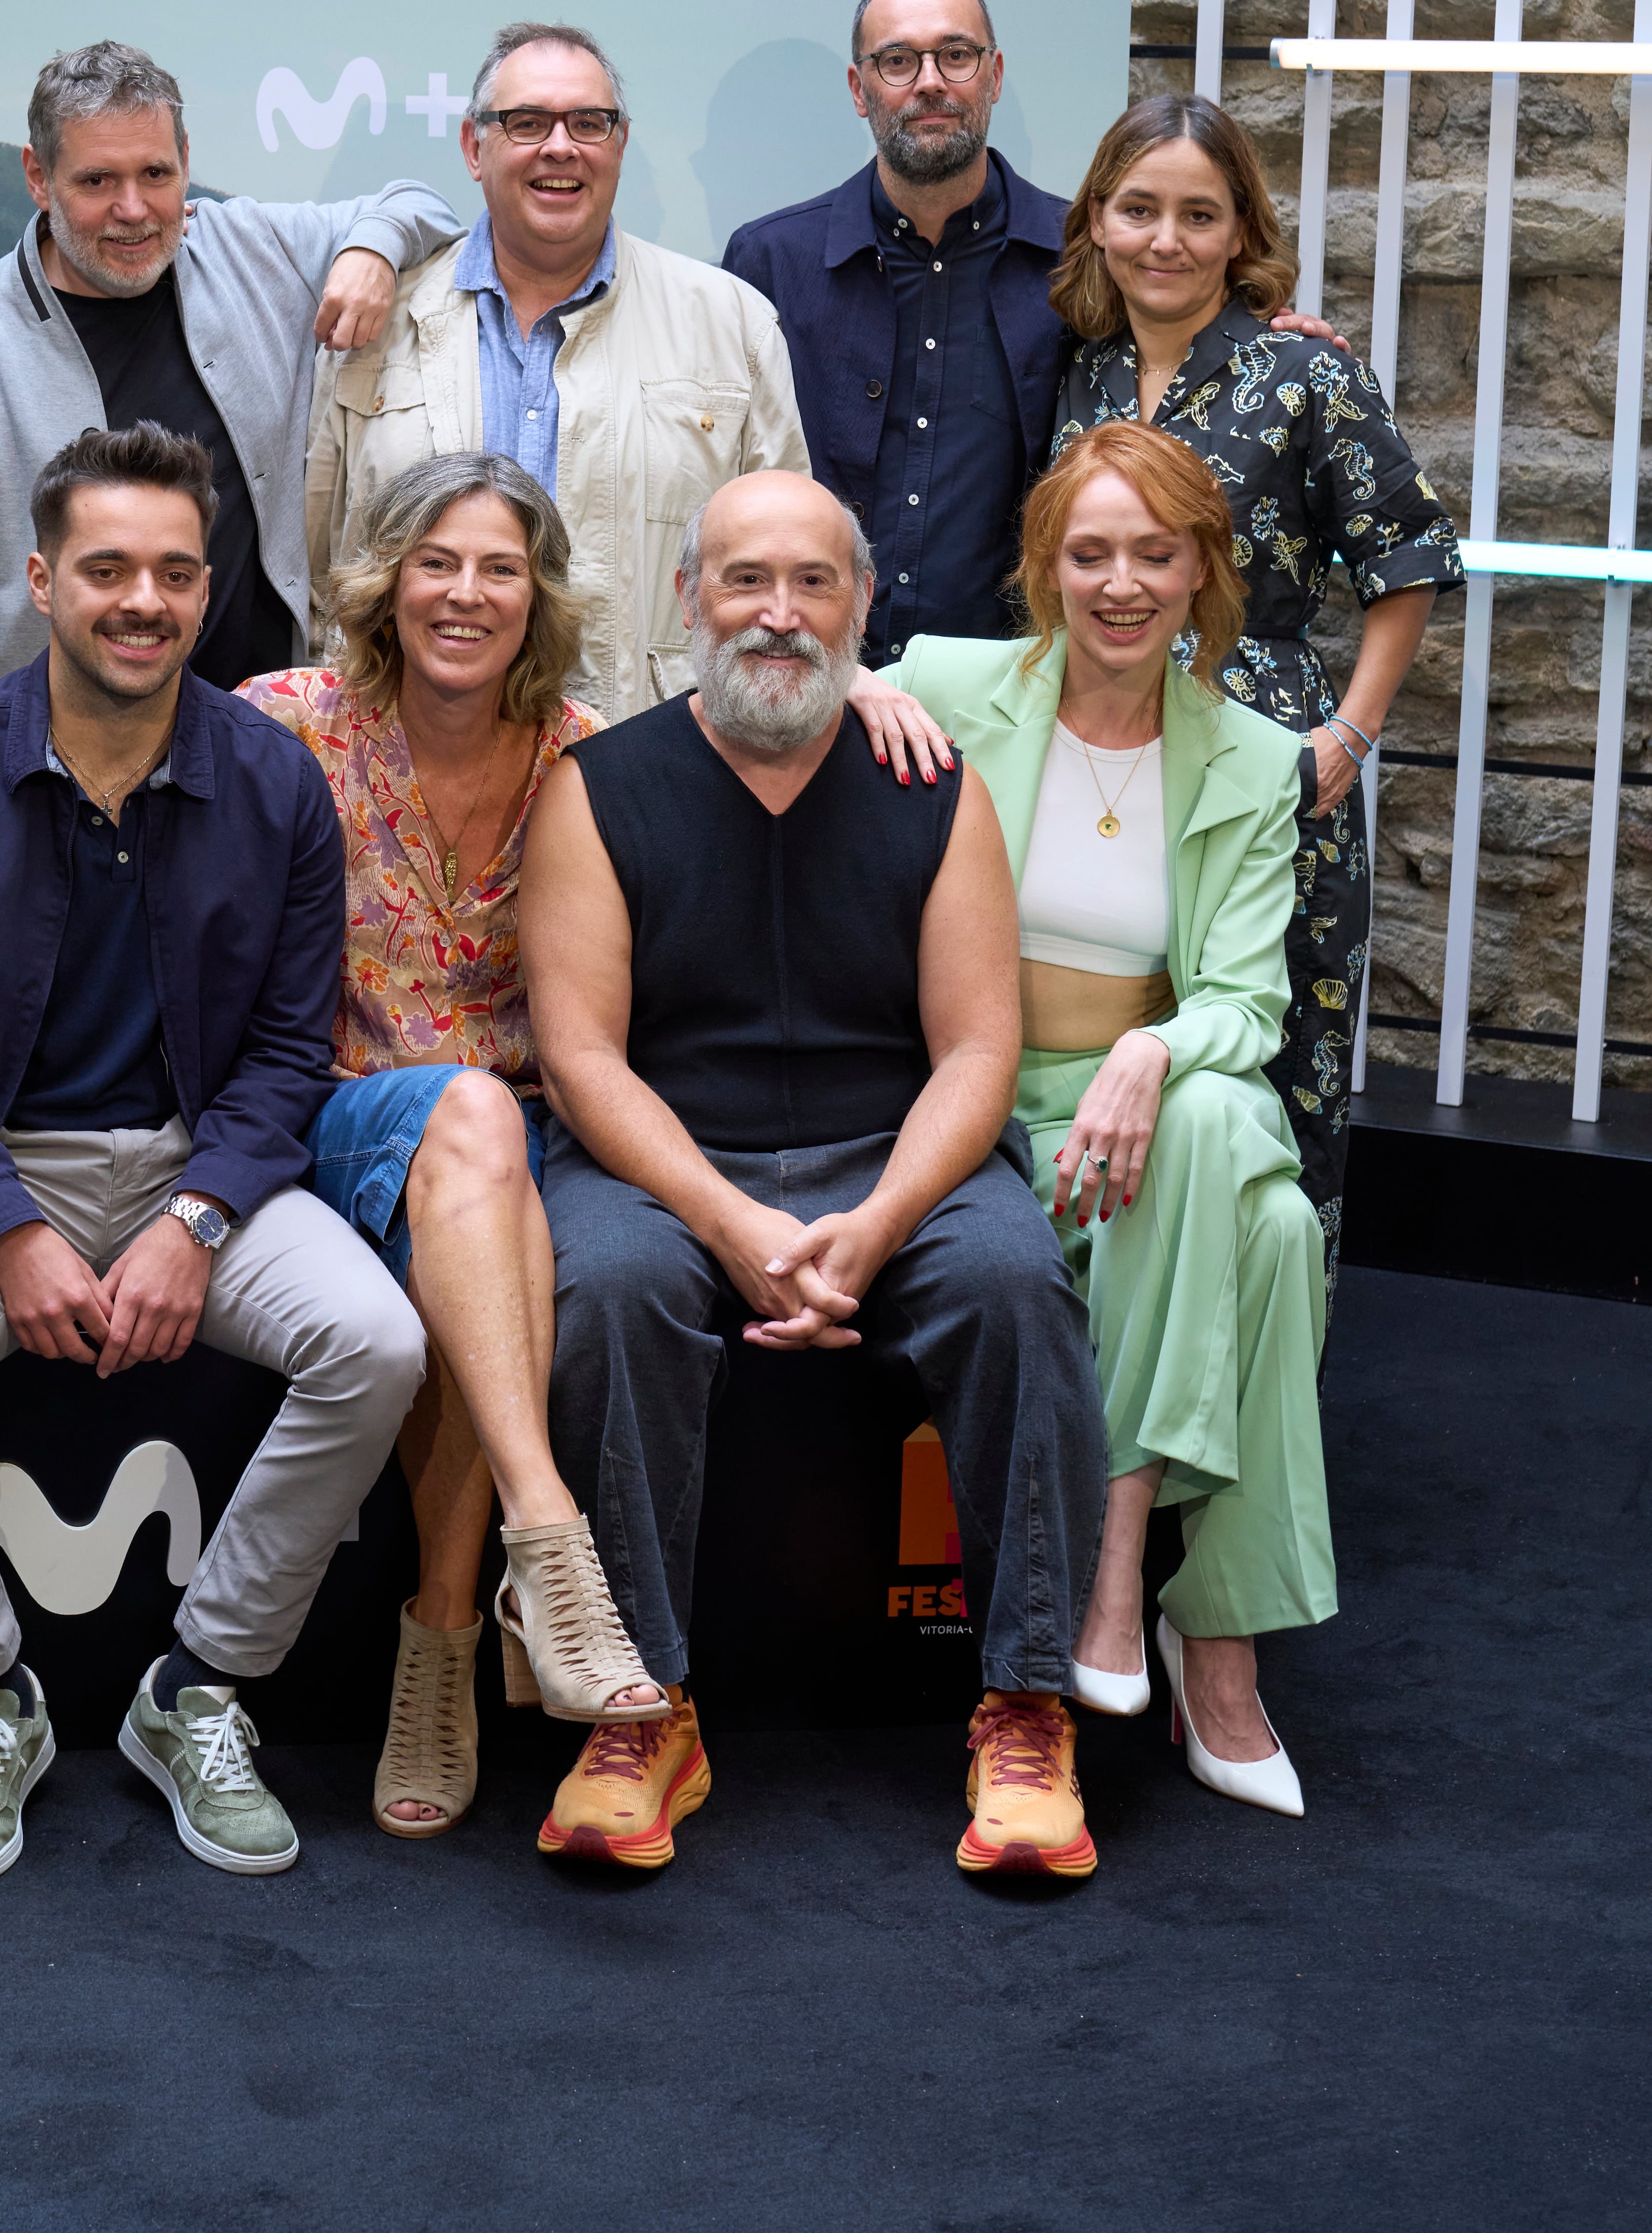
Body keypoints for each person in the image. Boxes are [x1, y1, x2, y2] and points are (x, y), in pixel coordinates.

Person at [0, 423, 424, 1891]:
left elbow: (292, 1050)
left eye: (172, 571)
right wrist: (11, 1225)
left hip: (197, 1166)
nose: (140, 599)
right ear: (41, 580)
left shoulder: (275, 783)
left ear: (211, 589)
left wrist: (200, 1215)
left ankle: (202, 1682)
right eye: (106, 569)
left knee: (379, 1343)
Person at [517, 469, 1111, 1881]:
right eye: (744, 580)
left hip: (895, 1153)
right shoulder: (597, 791)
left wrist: (880, 1220)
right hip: (671, 1155)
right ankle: (641, 1703)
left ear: (862, 603)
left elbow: (978, 1049)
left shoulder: (932, 784)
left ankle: (1027, 1702)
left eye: (813, 584)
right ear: (689, 600)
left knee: (1014, 1278)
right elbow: (585, 1060)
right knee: (602, 1282)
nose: (778, 616)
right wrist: (728, 1221)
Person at [879, 428, 1337, 1813]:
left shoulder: (1255, 759)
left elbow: (1248, 1008)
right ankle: (1224, 1653)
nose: (1122, 582)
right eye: (1091, 553)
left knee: (1200, 1125)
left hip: (1167, 1083)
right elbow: (796, 675)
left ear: (1203, 568)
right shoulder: (958, 685)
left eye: (1154, 552)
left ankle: (1119, 1551)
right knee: (1267, 1237)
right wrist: (851, 685)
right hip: (987, 1089)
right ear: (1046, 566)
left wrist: (1150, 1046)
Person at [238, 453, 663, 1843]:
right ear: (383, 581)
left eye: (499, 567)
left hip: (513, 1149)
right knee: (478, 1119)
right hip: (333, 1115)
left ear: (538, 595)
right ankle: (546, 1540)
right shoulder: (286, 724)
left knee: (499, 1187)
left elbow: (754, 757)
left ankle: (439, 1636)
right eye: (437, 561)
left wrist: (885, 690)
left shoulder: (589, 757)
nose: (466, 592)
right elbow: (100, 736)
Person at [1048, 95, 1462, 1270]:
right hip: (1104, 759)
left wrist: (1351, 735)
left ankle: (1267, 1363)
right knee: (1123, 1047)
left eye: (1197, 213)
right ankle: (1117, 1346)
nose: (1164, 240)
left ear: (1241, 231)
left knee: (1277, 1062)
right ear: (1098, 221)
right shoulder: (1081, 374)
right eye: (1139, 210)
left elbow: (1411, 558)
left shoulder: (1306, 373)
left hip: (1272, 769)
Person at [722, 0, 1339, 670]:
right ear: (861, 90)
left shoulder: (1084, 260)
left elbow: (1184, 349)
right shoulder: (768, 264)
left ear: (995, 76)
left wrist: (1275, 337)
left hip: (1019, 700)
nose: (930, 81)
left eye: (956, 55)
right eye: (898, 61)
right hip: (807, 683)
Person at [0, 38, 460, 716]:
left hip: (260, 747)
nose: (134, 209)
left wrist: (369, 248)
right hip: (55, 782)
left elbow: (423, 204)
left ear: (185, 163)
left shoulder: (252, 249)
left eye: (156, 174)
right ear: (38, 176)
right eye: (97, 181)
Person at [309, 22, 805, 722]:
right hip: (406, 763)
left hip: (645, 760)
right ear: (472, 147)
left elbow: (790, 571)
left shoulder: (733, 327)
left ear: (621, 145)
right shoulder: (374, 324)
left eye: (589, 123)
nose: (561, 146)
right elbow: (319, 569)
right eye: (527, 123)